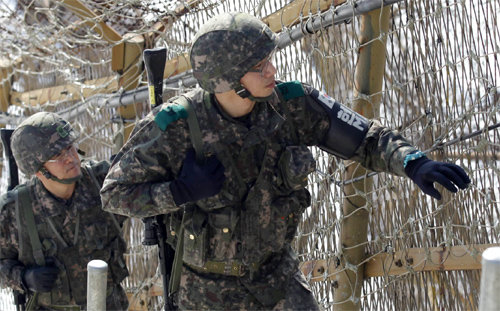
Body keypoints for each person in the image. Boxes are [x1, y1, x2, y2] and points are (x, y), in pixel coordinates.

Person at [100, 12, 471, 310]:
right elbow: (114, 194)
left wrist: (412, 162)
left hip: (277, 280)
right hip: (205, 291)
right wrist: (179, 191)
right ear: (226, 79)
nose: (271, 72)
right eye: (259, 66)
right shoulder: (175, 126)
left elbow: (367, 139)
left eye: (269, 62)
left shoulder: (292, 104)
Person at [0, 112, 129, 310]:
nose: (71, 158)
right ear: (37, 169)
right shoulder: (15, 212)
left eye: (70, 147)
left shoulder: (103, 183)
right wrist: (23, 278)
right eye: (58, 155)